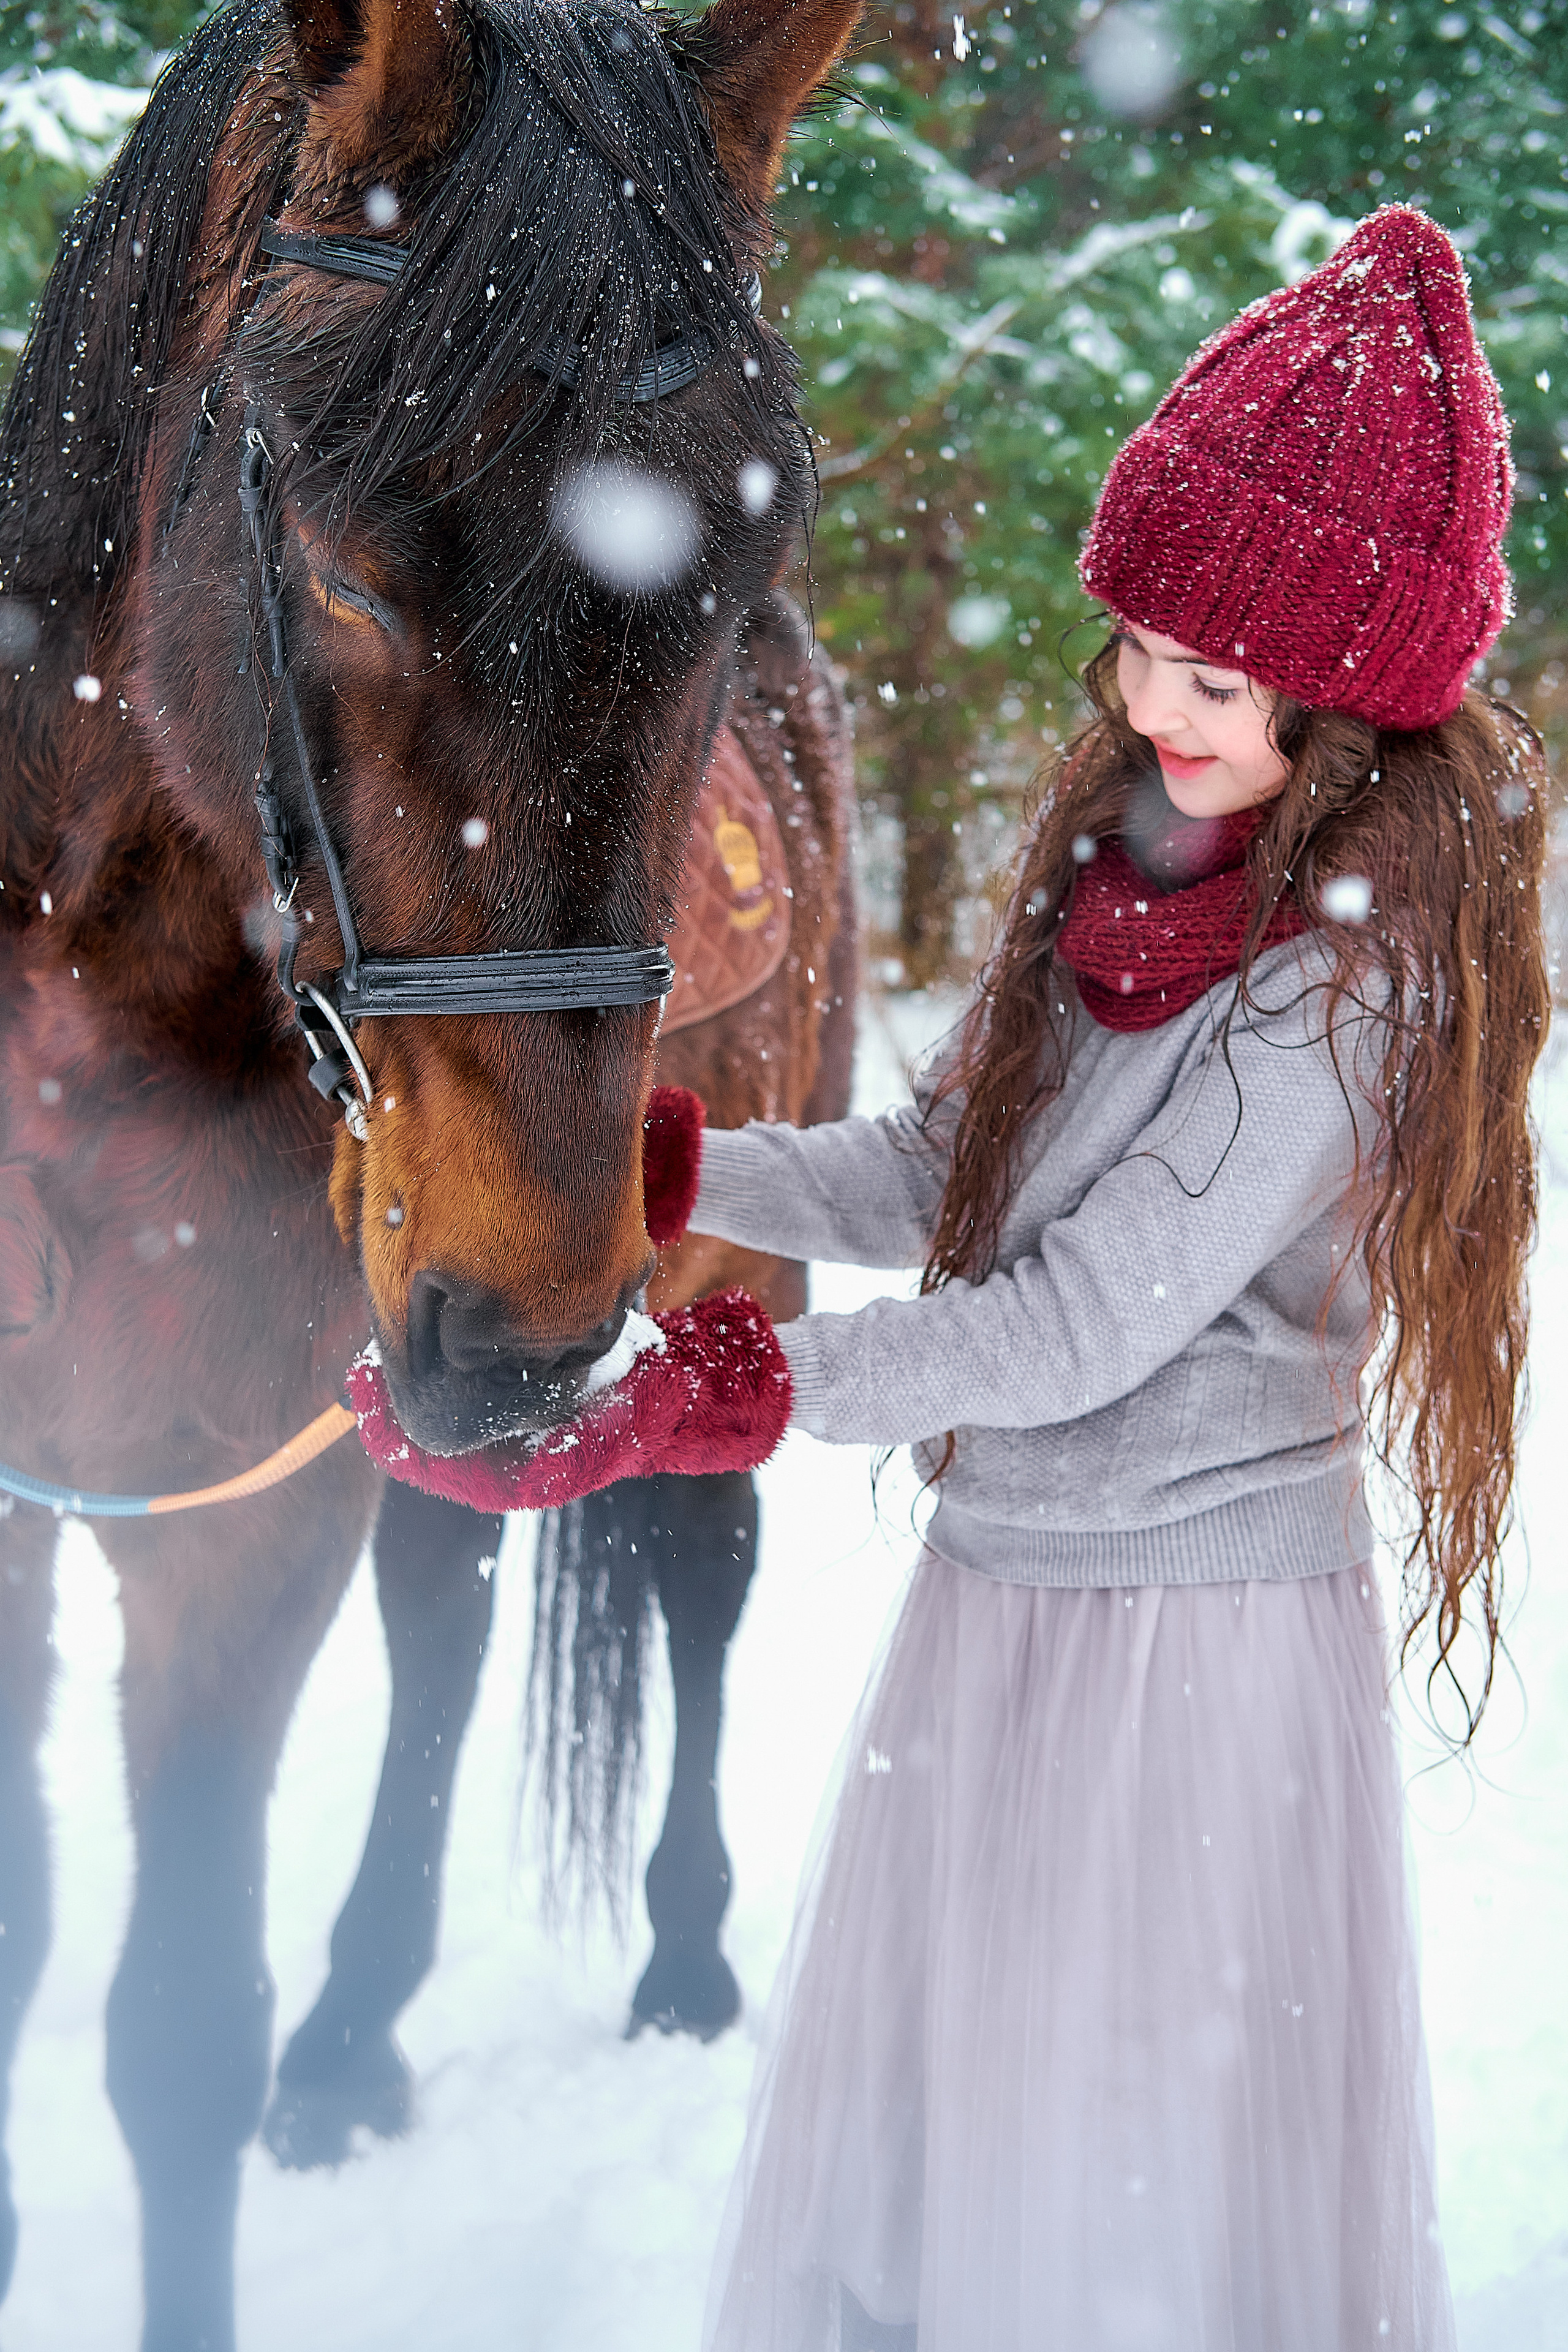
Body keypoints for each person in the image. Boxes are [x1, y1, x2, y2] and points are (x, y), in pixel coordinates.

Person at [354, 205, 1548, 2349]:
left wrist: (738, 1396)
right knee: (965, 2126)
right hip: (1007, 1587)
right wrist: (671, 1163)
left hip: (1190, 1633)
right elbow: (943, 1169)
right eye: (1141, 648)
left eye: (1216, 680)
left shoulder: (1344, 993)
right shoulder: (1121, 875)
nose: (1153, 705)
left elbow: (1080, 1318)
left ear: (1348, 706)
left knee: (1116, 2159)